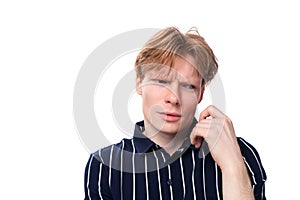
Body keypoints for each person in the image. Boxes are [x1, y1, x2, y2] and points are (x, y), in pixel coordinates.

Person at [84, 27, 267, 200]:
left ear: (200, 93)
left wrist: (233, 166)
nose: (173, 98)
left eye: (188, 86)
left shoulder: (239, 152)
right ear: (139, 84)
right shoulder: (104, 166)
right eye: (162, 81)